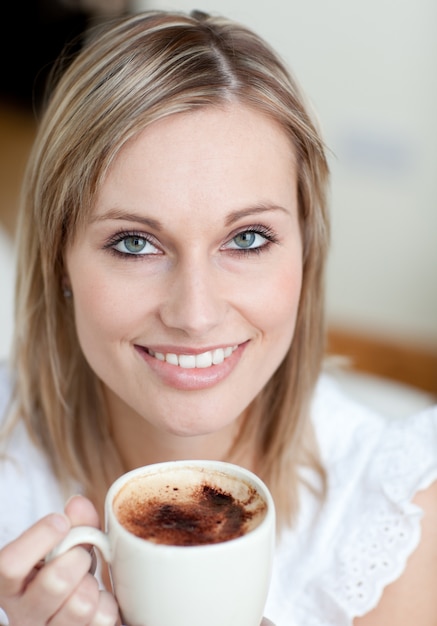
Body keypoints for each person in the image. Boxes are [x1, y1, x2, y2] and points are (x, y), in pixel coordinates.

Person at [0, 9, 436, 626]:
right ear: (58, 263)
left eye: (249, 238)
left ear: (307, 254)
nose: (196, 315)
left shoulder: (400, 513)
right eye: (133, 243)